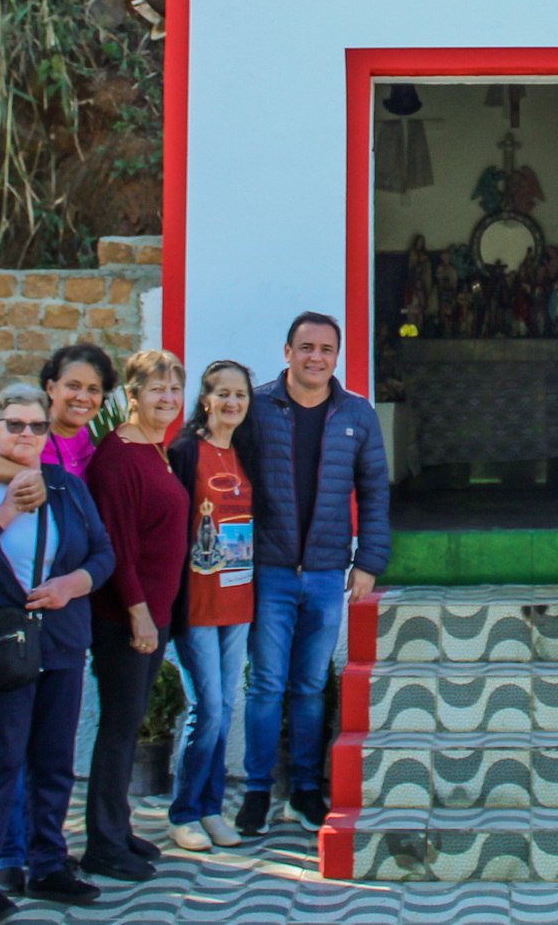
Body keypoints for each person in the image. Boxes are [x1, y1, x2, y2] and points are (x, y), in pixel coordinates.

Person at [0, 389, 115, 923]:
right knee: (0, 763)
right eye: (15, 425)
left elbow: (103, 552)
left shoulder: (67, 486)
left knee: (54, 762)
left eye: (37, 427)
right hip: (1, 644)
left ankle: (47, 864)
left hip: (60, 638)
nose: (27, 435)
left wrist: (73, 584)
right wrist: (7, 509)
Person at [235, 313, 392, 836]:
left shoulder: (356, 414)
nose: (316, 358)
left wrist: (368, 561)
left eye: (326, 349)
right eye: (306, 348)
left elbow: (374, 492)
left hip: (327, 572)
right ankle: (258, 791)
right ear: (287, 352)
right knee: (266, 686)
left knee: (307, 686)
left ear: (337, 356)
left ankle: (304, 789)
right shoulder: (255, 408)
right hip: (269, 570)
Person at [80, 350, 191, 883]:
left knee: (127, 725)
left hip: (155, 613)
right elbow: (116, 549)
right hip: (127, 619)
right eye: (156, 390)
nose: (167, 399)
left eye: (174, 390)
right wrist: (140, 616)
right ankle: (102, 844)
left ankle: (119, 829)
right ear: (132, 395)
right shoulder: (117, 457)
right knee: (120, 730)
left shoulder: (155, 448)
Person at [166, 360, 259, 852]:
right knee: (209, 708)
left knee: (227, 708)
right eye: (222, 394)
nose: (232, 403)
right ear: (205, 398)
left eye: (240, 395)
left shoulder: (245, 452)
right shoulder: (185, 451)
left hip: (239, 599)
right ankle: (184, 812)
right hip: (197, 603)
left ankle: (210, 808)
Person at [0, 343, 115, 490]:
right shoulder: (27, 430)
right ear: (50, 388)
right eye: (73, 386)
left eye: (93, 389)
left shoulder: (85, 439)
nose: (82, 398)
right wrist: (29, 477)